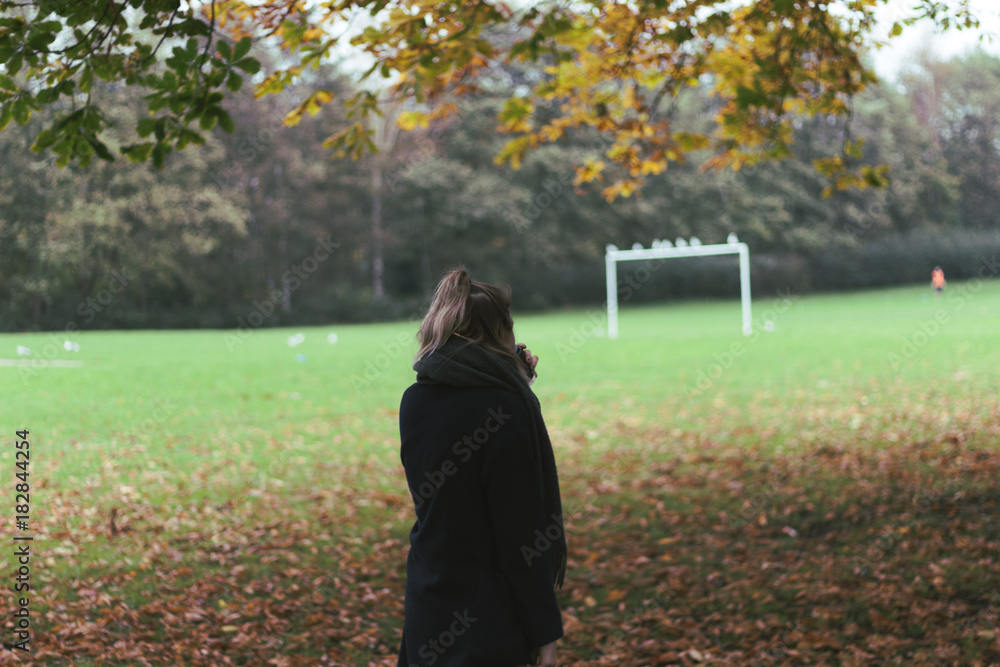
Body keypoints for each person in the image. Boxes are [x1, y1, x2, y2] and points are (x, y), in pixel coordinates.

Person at [397, 267, 566, 667]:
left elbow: (454, 483)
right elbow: (520, 534)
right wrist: (545, 632)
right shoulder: (506, 409)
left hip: (429, 600)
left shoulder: (414, 401)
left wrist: (512, 381)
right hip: (487, 619)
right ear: (500, 334)